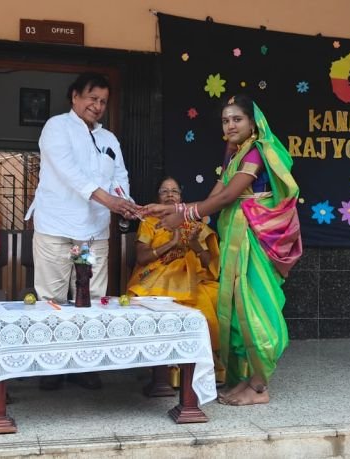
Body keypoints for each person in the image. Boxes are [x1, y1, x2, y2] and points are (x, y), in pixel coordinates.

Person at [143, 95, 302, 406]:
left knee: (253, 304)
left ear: (253, 123)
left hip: (253, 237)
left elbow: (228, 197)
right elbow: (214, 196)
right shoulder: (235, 154)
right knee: (236, 306)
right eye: (225, 120)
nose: (230, 125)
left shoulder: (256, 152)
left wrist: (183, 214)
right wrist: (171, 209)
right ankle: (246, 378)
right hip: (236, 235)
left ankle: (259, 386)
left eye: (237, 119)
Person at [26, 72, 141, 391]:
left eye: (103, 101)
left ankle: (84, 363)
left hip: (92, 232)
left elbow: (119, 177)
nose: (98, 106)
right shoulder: (56, 127)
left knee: (91, 297)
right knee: (52, 297)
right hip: (56, 227)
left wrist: (126, 204)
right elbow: (71, 174)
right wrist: (111, 201)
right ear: (75, 96)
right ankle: (51, 364)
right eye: (92, 98)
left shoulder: (109, 139)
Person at [127, 177, 224, 383]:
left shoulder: (195, 225)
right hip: (156, 279)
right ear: (157, 198)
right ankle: (165, 366)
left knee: (215, 298)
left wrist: (195, 245)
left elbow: (210, 264)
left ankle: (202, 364)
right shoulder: (149, 223)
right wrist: (172, 243)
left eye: (174, 191)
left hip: (193, 281)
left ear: (181, 197)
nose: (170, 195)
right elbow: (142, 258)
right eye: (164, 191)